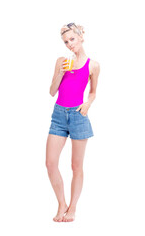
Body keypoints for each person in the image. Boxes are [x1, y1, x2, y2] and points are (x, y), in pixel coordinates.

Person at [45, 22, 100, 222]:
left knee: (76, 166)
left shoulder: (93, 65)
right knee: (50, 163)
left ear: (81, 37)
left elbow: (93, 92)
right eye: (66, 41)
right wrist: (60, 72)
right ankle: (62, 203)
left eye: (72, 39)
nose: (69, 44)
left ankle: (73, 208)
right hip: (59, 115)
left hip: (79, 116)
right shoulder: (61, 61)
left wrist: (88, 104)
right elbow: (52, 92)